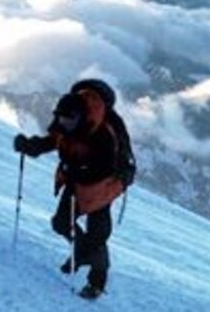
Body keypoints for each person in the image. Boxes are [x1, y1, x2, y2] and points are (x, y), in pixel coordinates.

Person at [14, 81, 128, 300]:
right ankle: (81, 252)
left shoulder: (103, 134)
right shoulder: (69, 121)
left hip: (102, 187)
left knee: (98, 234)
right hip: (75, 179)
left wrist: (80, 171)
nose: (64, 123)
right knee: (61, 223)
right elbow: (54, 140)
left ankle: (96, 284)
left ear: (80, 116)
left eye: (68, 119)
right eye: (62, 118)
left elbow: (106, 169)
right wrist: (30, 146)